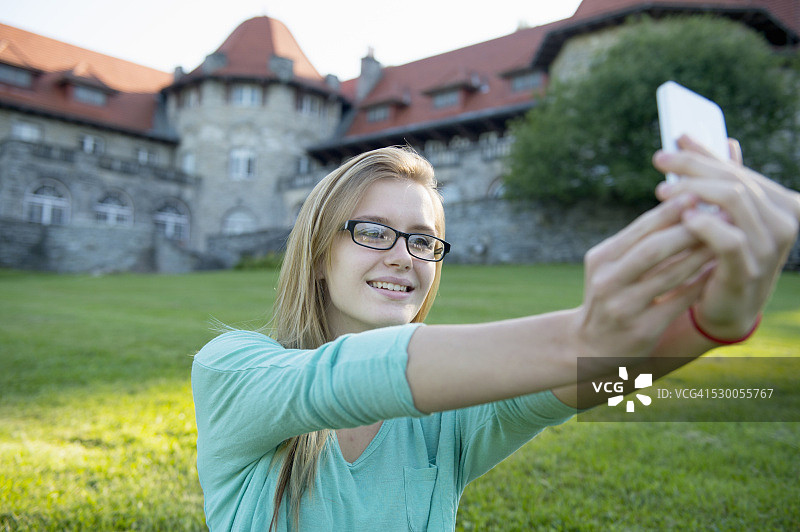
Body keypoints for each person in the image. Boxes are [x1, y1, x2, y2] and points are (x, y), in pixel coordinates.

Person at [191, 140, 799, 531]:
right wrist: (582, 331)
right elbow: (344, 378)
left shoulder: (445, 418)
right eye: (373, 232)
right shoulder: (231, 370)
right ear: (319, 253)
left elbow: (590, 382)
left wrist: (710, 327)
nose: (404, 256)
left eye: (422, 239)